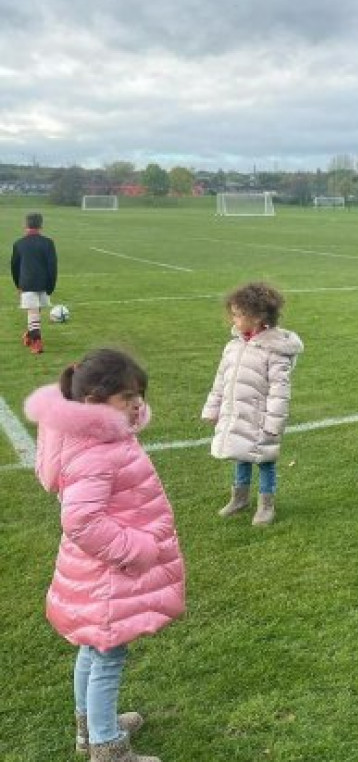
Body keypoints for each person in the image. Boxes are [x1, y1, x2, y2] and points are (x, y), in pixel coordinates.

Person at [25, 349, 186, 762]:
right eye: (128, 398)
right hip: (112, 574)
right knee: (109, 656)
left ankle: (91, 727)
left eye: (140, 396)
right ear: (95, 404)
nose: (138, 405)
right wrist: (140, 549)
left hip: (99, 573)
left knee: (93, 648)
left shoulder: (101, 437)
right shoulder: (97, 451)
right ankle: (107, 746)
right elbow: (80, 520)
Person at [201, 281, 303, 526]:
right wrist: (212, 407)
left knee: (265, 460)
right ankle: (240, 498)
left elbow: (280, 391)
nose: (232, 319)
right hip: (237, 414)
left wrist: (272, 423)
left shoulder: (275, 351)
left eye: (238, 315)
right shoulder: (233, 346)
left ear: (257, 317)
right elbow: (221, 379)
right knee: (240, 455)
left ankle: (266, 505)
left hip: (261, 418)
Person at [11, 211, 58, 355]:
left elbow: (14, 266)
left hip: (27, 282)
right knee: (35, 311)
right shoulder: (48, 243)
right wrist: (51, 286)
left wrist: (18, 284)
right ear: (41, 225)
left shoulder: (19, 244)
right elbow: (53, 266)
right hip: (43, 283)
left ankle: (34, 340)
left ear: (26, 225)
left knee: (33, 312)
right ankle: (33, 338)